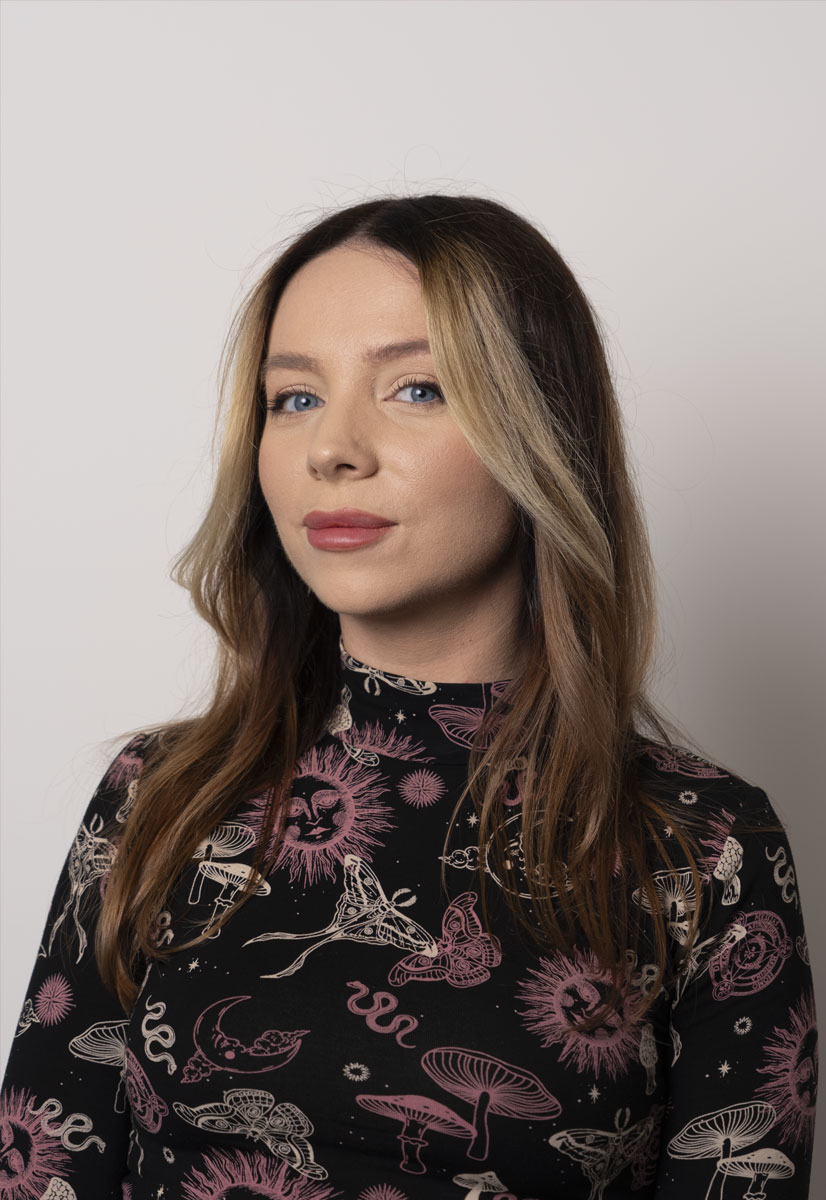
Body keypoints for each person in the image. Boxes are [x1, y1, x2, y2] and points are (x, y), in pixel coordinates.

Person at [0, 194, 817, 1198]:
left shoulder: (707, 849)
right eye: (294, 398)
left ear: (541, 431)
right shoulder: (161, 798)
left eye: (416, 388)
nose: (332, 448)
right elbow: (40, 1166)